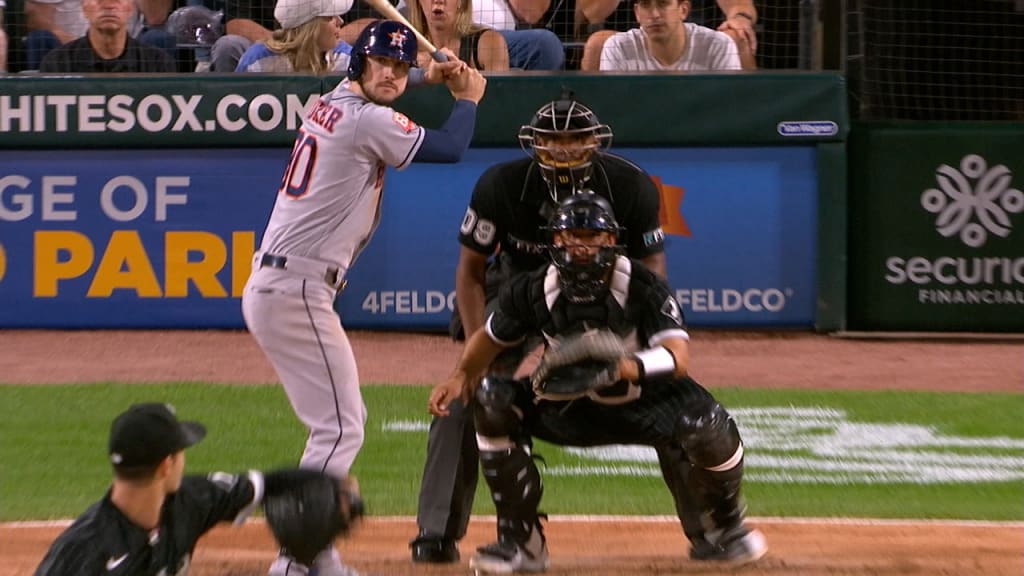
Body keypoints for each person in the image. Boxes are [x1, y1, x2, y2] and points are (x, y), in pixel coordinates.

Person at [412, 92, 704, 564]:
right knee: (471, 393)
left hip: (608, 290)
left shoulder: (631, 186)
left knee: (671, 394)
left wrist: (642, 344)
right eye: (552, 140)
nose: (564, 149)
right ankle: (437, 532)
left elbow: (651, 266)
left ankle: (711, 531)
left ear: (595, 142)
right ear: (534, 144)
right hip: (520, 291)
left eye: (575, 139)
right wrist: (474, 357)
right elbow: (470, 271)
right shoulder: (501, 185)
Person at [241, 18, 486, 575]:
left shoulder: (332, 102)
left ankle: (314, 555)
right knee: (340, 426)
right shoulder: (366, 122)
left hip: (285, 284)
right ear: (359, 63)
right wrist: (467, 97)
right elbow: (449, 147)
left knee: (334, 424)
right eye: (381, 62)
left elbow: (382, 92)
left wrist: (425, 76)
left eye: (400, 66)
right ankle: (297, 561)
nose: (392, 73)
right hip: (296, 286)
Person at [428, 193, 768, 573]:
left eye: (592, 236)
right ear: (555, 241)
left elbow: (677, 357)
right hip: (569, 403)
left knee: (707, 424)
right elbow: (489, 340)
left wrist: (622, 368)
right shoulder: (533, 288)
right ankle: (521, 543)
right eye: (571, 235)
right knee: (492, 399)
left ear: (610, 241)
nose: (581, 245)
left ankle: (724, 530)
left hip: (646, 401)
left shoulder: (643, 286)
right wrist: (459, 375)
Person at [34, 402, 363, 576]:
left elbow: (265, 484)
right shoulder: (82, 552)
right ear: (166, 465)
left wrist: (331, 486)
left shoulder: (188, 501)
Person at [580, 0, 756, 71]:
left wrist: (740, 18)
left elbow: (740, 6)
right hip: (631, 39)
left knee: (736, 37)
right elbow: (593, 13)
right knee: (599, 43)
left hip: (695, 35)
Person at [38, 0, 176, 72]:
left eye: (117, 0)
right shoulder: (56, 63)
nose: (109, 6)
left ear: (130, 8)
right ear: (84, 8)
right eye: (99, 0)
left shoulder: (157, 63)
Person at [236, 0, 353, 73]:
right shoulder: (257, 61)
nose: (340, 21)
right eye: (330, 17)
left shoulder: (347, 58)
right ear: (310, 28)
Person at [407, 0, 508, 71]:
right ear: (418, 1)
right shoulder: (403, 47)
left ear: (461, 1)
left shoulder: (490, 43)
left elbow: (500, 98)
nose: (438, 0)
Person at [24, 0, 88, 69]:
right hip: (63, 44)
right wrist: (78, 45)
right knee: (40, 37)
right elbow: (37, 19)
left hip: (92, 42)